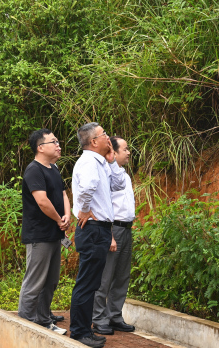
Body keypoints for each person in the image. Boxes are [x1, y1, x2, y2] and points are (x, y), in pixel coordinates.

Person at [69, 123, 126, 348]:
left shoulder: (100, 162)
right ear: (93, 142)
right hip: (92, 228)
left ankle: (84, 330)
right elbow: (87, 187)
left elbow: (119, 184)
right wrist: (83, 209)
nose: (108, 138)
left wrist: (112, 161)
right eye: (103, 135)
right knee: (86, 283)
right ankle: (79, 332)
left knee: (92, 283)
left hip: (99, 228)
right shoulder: (89, 162)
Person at [18, 129, 70, 335]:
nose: (58, 145)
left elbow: (63, 193)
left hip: (55, 233)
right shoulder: (34, 170)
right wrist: (59, 220)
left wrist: (67, 215)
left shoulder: (53, 168)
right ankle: (25, 324)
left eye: (58, 141)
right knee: (35, 281)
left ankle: (43, 321)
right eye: (53, 141)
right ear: (40, 147)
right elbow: (42, 200)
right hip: (39, 235)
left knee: (51, 281)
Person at [92, 136, 136, 335]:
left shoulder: (123, 175)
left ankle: (114, 316)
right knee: (106, 276)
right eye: (125, 149)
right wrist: (109, 235)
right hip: (113, 229)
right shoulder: (105, 175)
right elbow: (103, 206)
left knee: (121, 276)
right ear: (114, 153)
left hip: (126, 229)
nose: (128, 153)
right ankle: (99, 318)